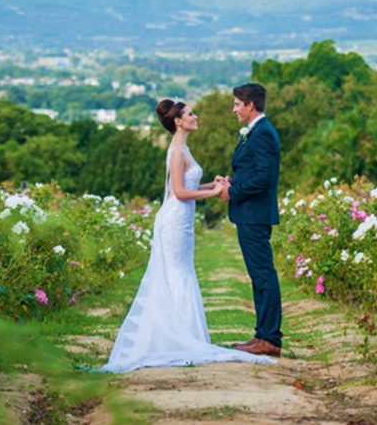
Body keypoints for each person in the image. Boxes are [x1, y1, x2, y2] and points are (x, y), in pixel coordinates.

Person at [100, 99, 277, 373]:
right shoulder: (176, 152)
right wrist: (214, 193)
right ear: (178, 122)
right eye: (190, 114)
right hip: (174, 220)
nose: (196, 117)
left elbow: (188, 184)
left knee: (182, 271)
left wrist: (213, 183)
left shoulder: (183, 148)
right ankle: (177, 338)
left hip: (182, 221)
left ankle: (183, 334)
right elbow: (179, 193)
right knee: (176, 273)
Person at [219, 83, 283, 357]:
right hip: (250, 213)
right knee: (258, 276)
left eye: (237, 104)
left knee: (263, 275)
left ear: (250, 105)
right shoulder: (256, 132)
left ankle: (270, 338)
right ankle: (262, 335)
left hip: (255, 215)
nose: (234, 109)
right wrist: (232, 181)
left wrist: (233, 192)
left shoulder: (263, 134)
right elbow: (251, 171)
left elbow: (264, 178)